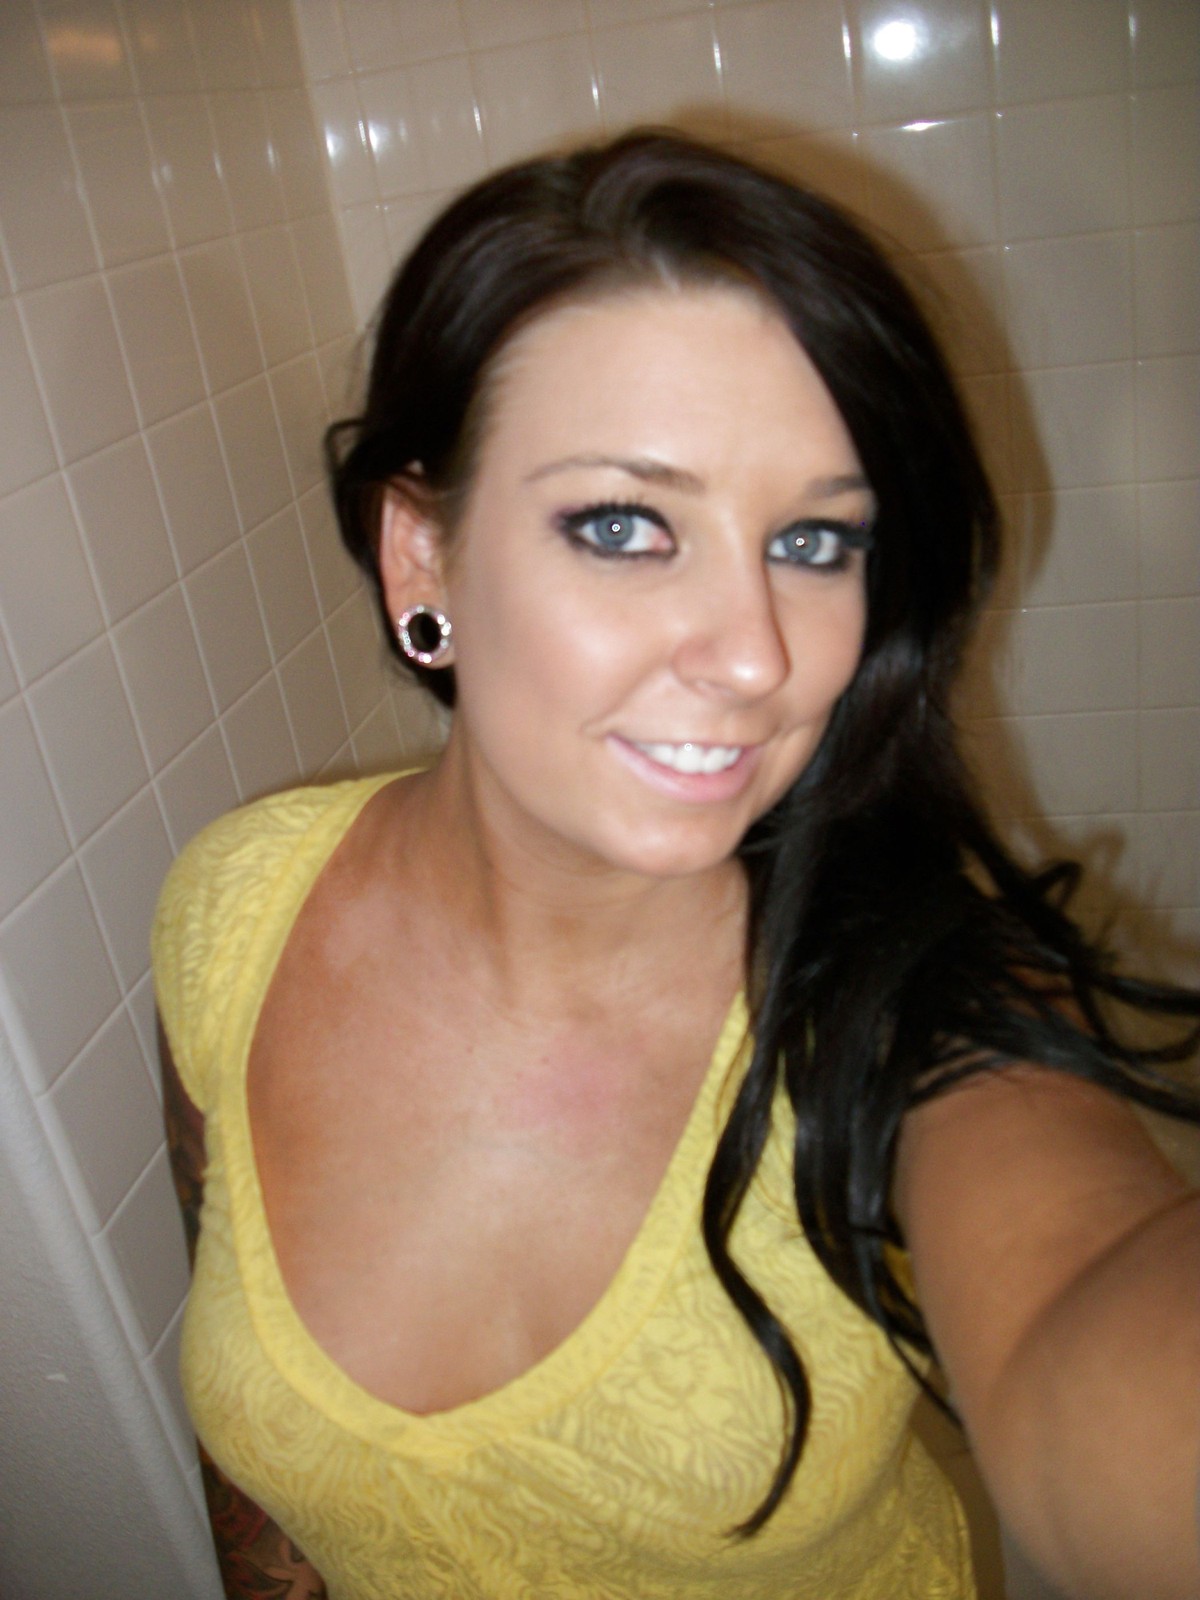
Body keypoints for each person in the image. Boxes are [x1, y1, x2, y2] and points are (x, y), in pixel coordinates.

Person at [153, 131, 1200, 1600]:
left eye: (815, 542)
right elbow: (255, 1478)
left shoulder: (906, 1002)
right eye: (626, 526)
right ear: (420, 555)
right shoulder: (233, 908)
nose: (758, 655)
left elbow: (1094, 1352)